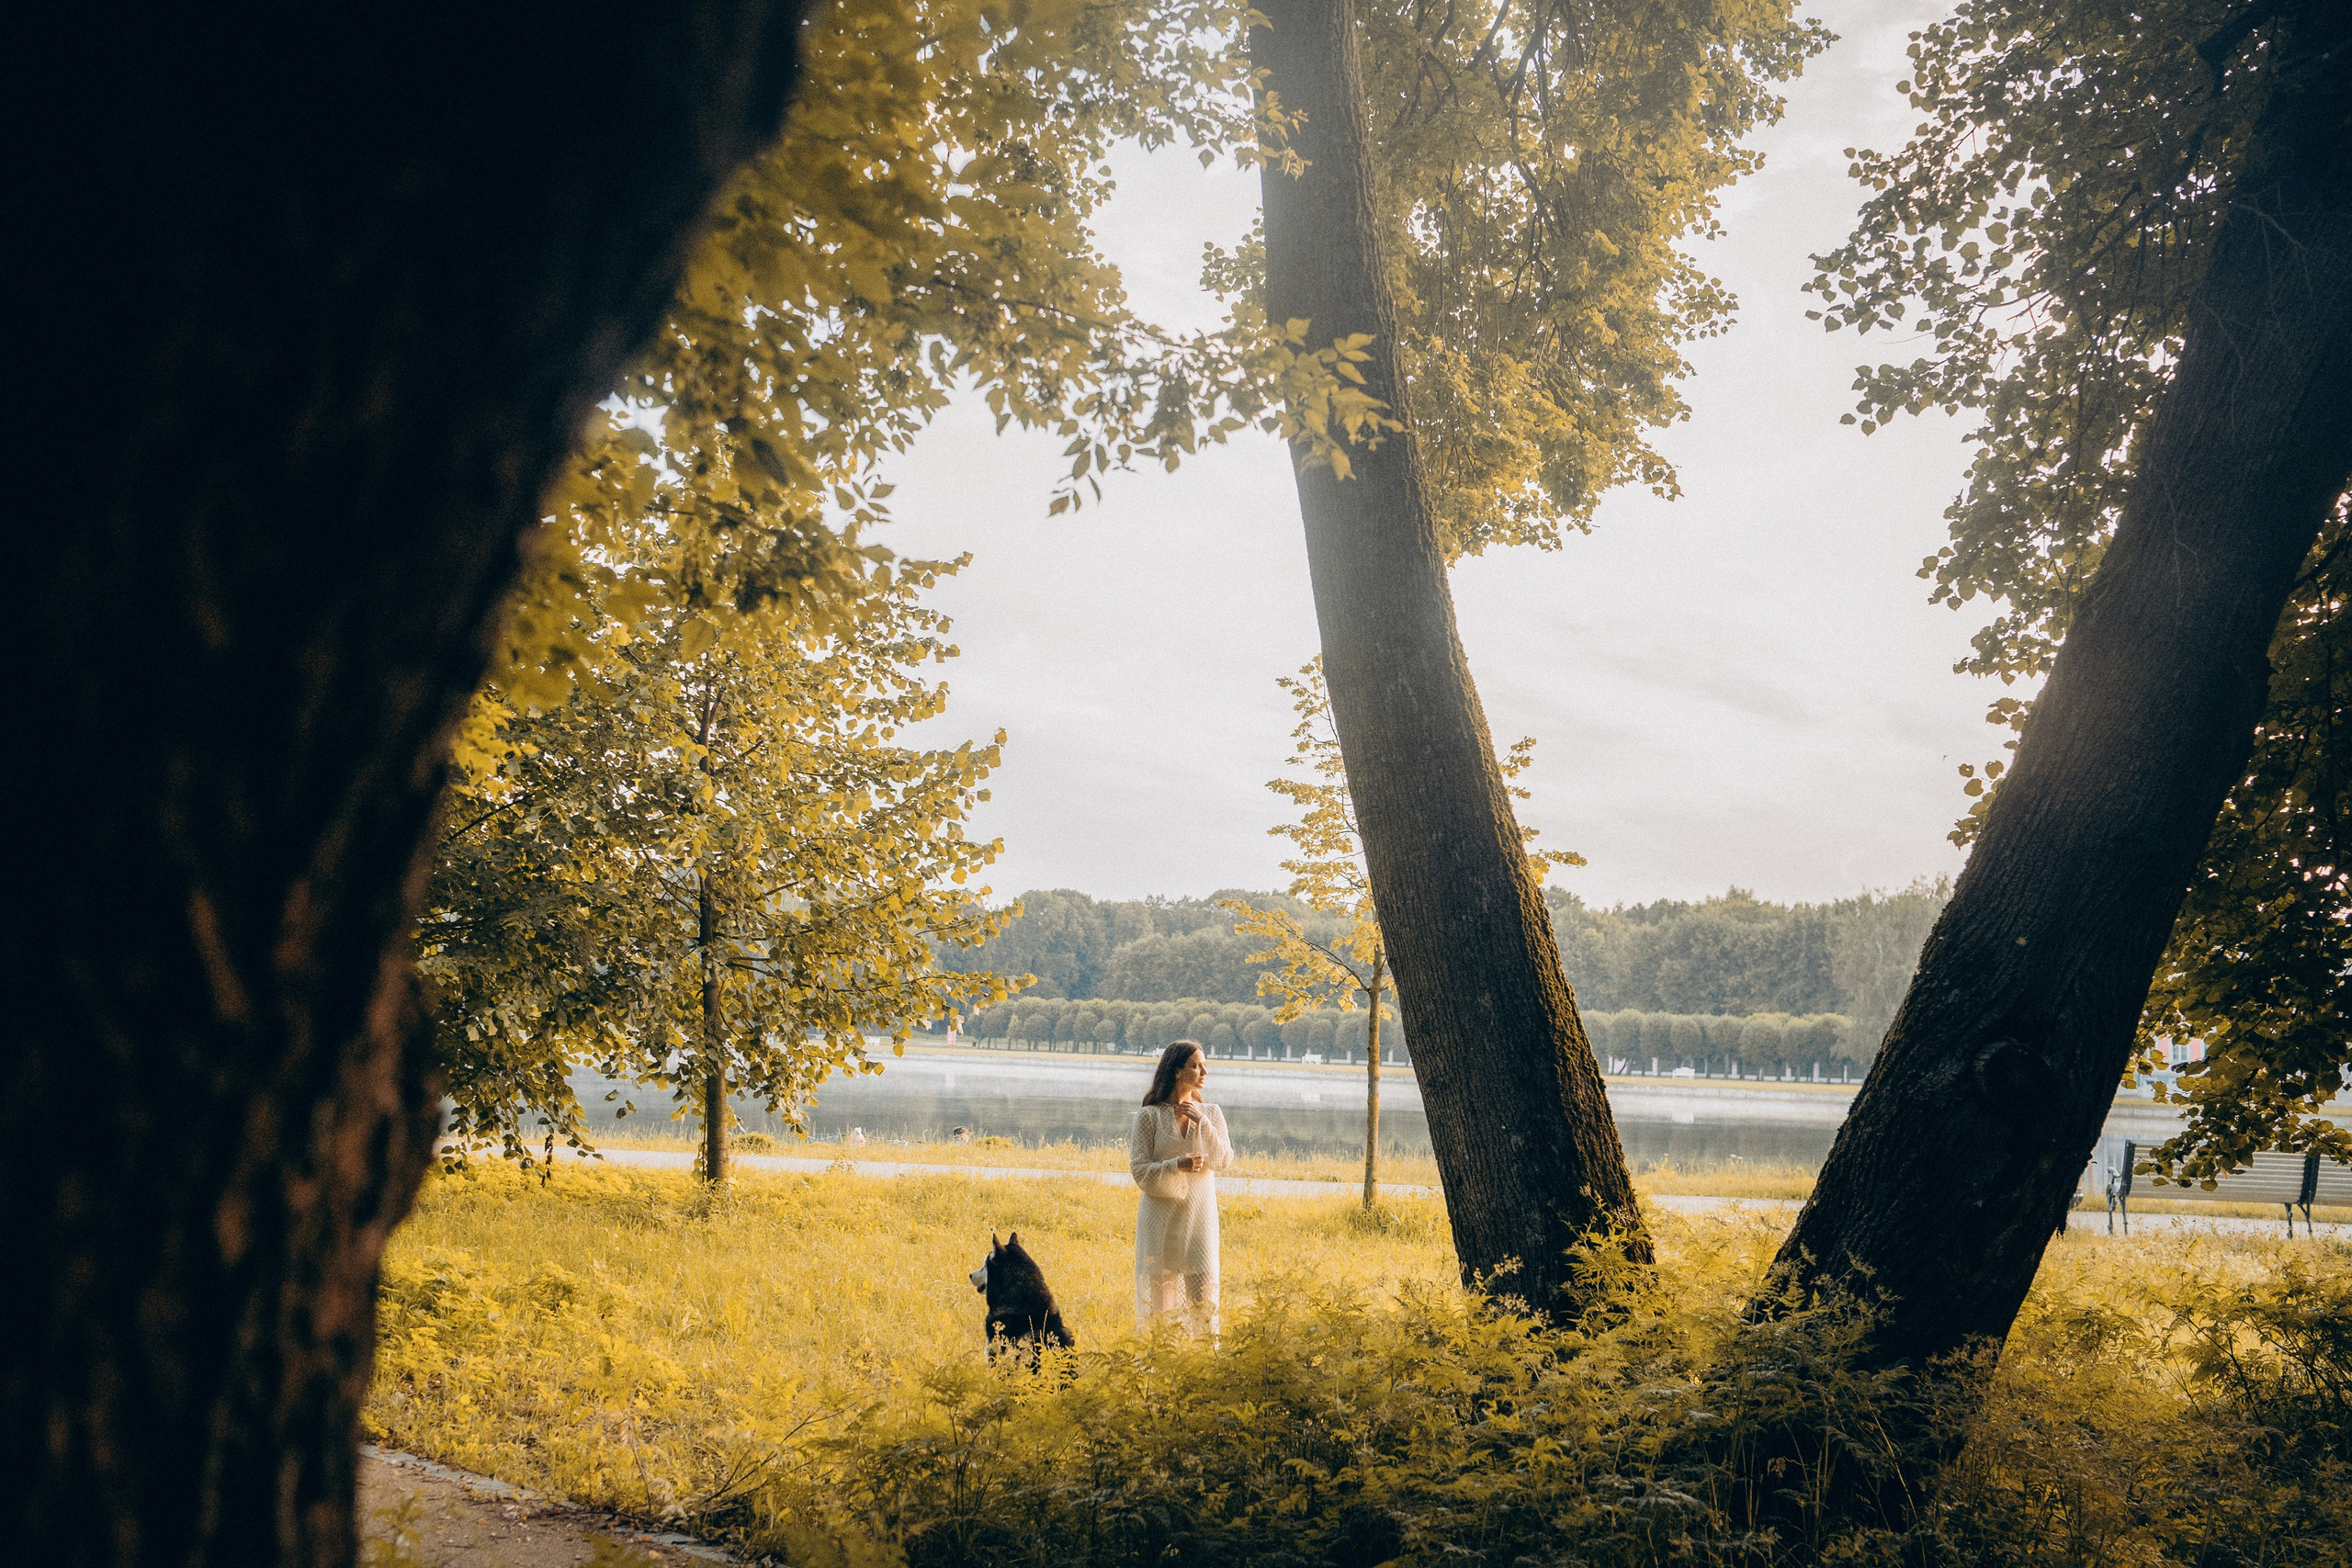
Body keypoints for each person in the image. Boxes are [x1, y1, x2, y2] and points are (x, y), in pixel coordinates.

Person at [1130, 1039, 1233, 1337]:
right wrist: (1177, 1165)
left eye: (1204, 1065)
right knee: (1162, 1311)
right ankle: (1161, 1359)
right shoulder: (1149, 1115)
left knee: (1204, 1304)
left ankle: (1205, 1358)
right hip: (1160, 1222)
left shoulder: (1211, 1113)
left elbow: (1223, 1160)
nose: (1204, 1072)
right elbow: (1139, 1170)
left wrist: (1203, 1122)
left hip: (1199, 1219)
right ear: (1177, 1071)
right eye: (1196, 1066)